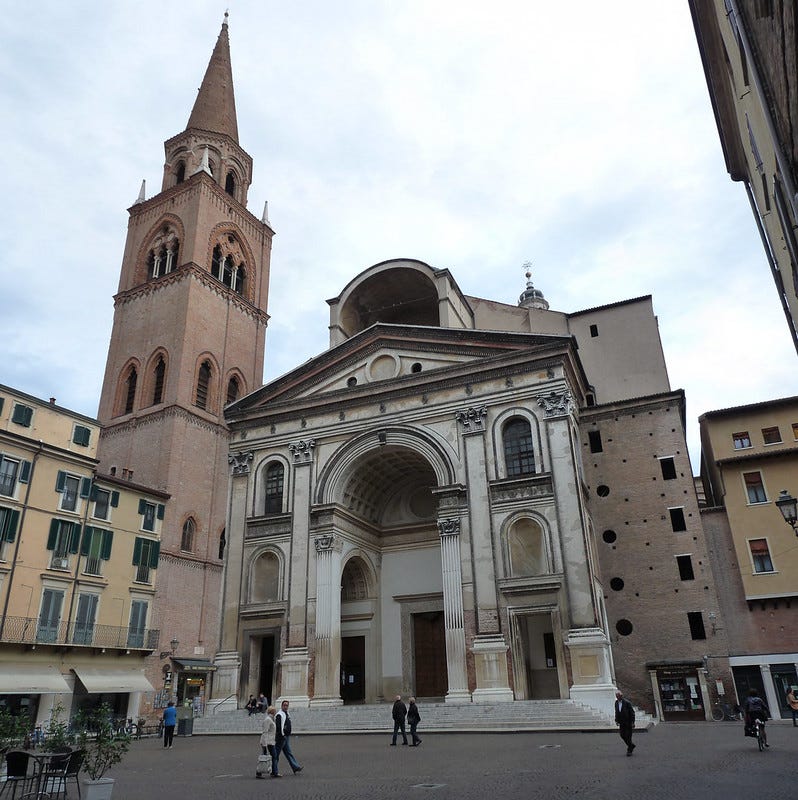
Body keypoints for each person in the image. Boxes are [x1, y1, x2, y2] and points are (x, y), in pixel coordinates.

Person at [275, 700, 303, 774]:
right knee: (276, 754)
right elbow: (278, 726)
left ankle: (295, 767)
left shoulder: (286, 714)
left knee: (288, 753)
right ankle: (273, 769)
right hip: (281, 737)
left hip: (286, 737)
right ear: (281, 706)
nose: (285, 706)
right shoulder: (279, 715)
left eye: (287, 705)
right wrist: (282, 735)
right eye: (284, 705)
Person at [259, 706, 279, 778]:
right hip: (267, 742)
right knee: (265, 757)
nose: (275, 712)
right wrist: (264, 743)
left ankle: (274, 772)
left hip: (270, 741)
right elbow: (265, 731)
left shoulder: (271, 719)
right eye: (274, 711)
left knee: (272, 756)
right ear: (272, 712)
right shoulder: (268, 720)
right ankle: (259, 772)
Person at [614, 690, 635, 756]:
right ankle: (631, 745)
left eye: (618, 696)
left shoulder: (627, 703)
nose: (617, 697)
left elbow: (632, 713)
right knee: (622, 735)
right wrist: (616, 720)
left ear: (621, 696)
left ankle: (629, 750)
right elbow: (616, 712)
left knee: (628, 736)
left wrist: (633, 722)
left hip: (628, 722)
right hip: (621, 722)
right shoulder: (616, 703)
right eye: (616, 696)